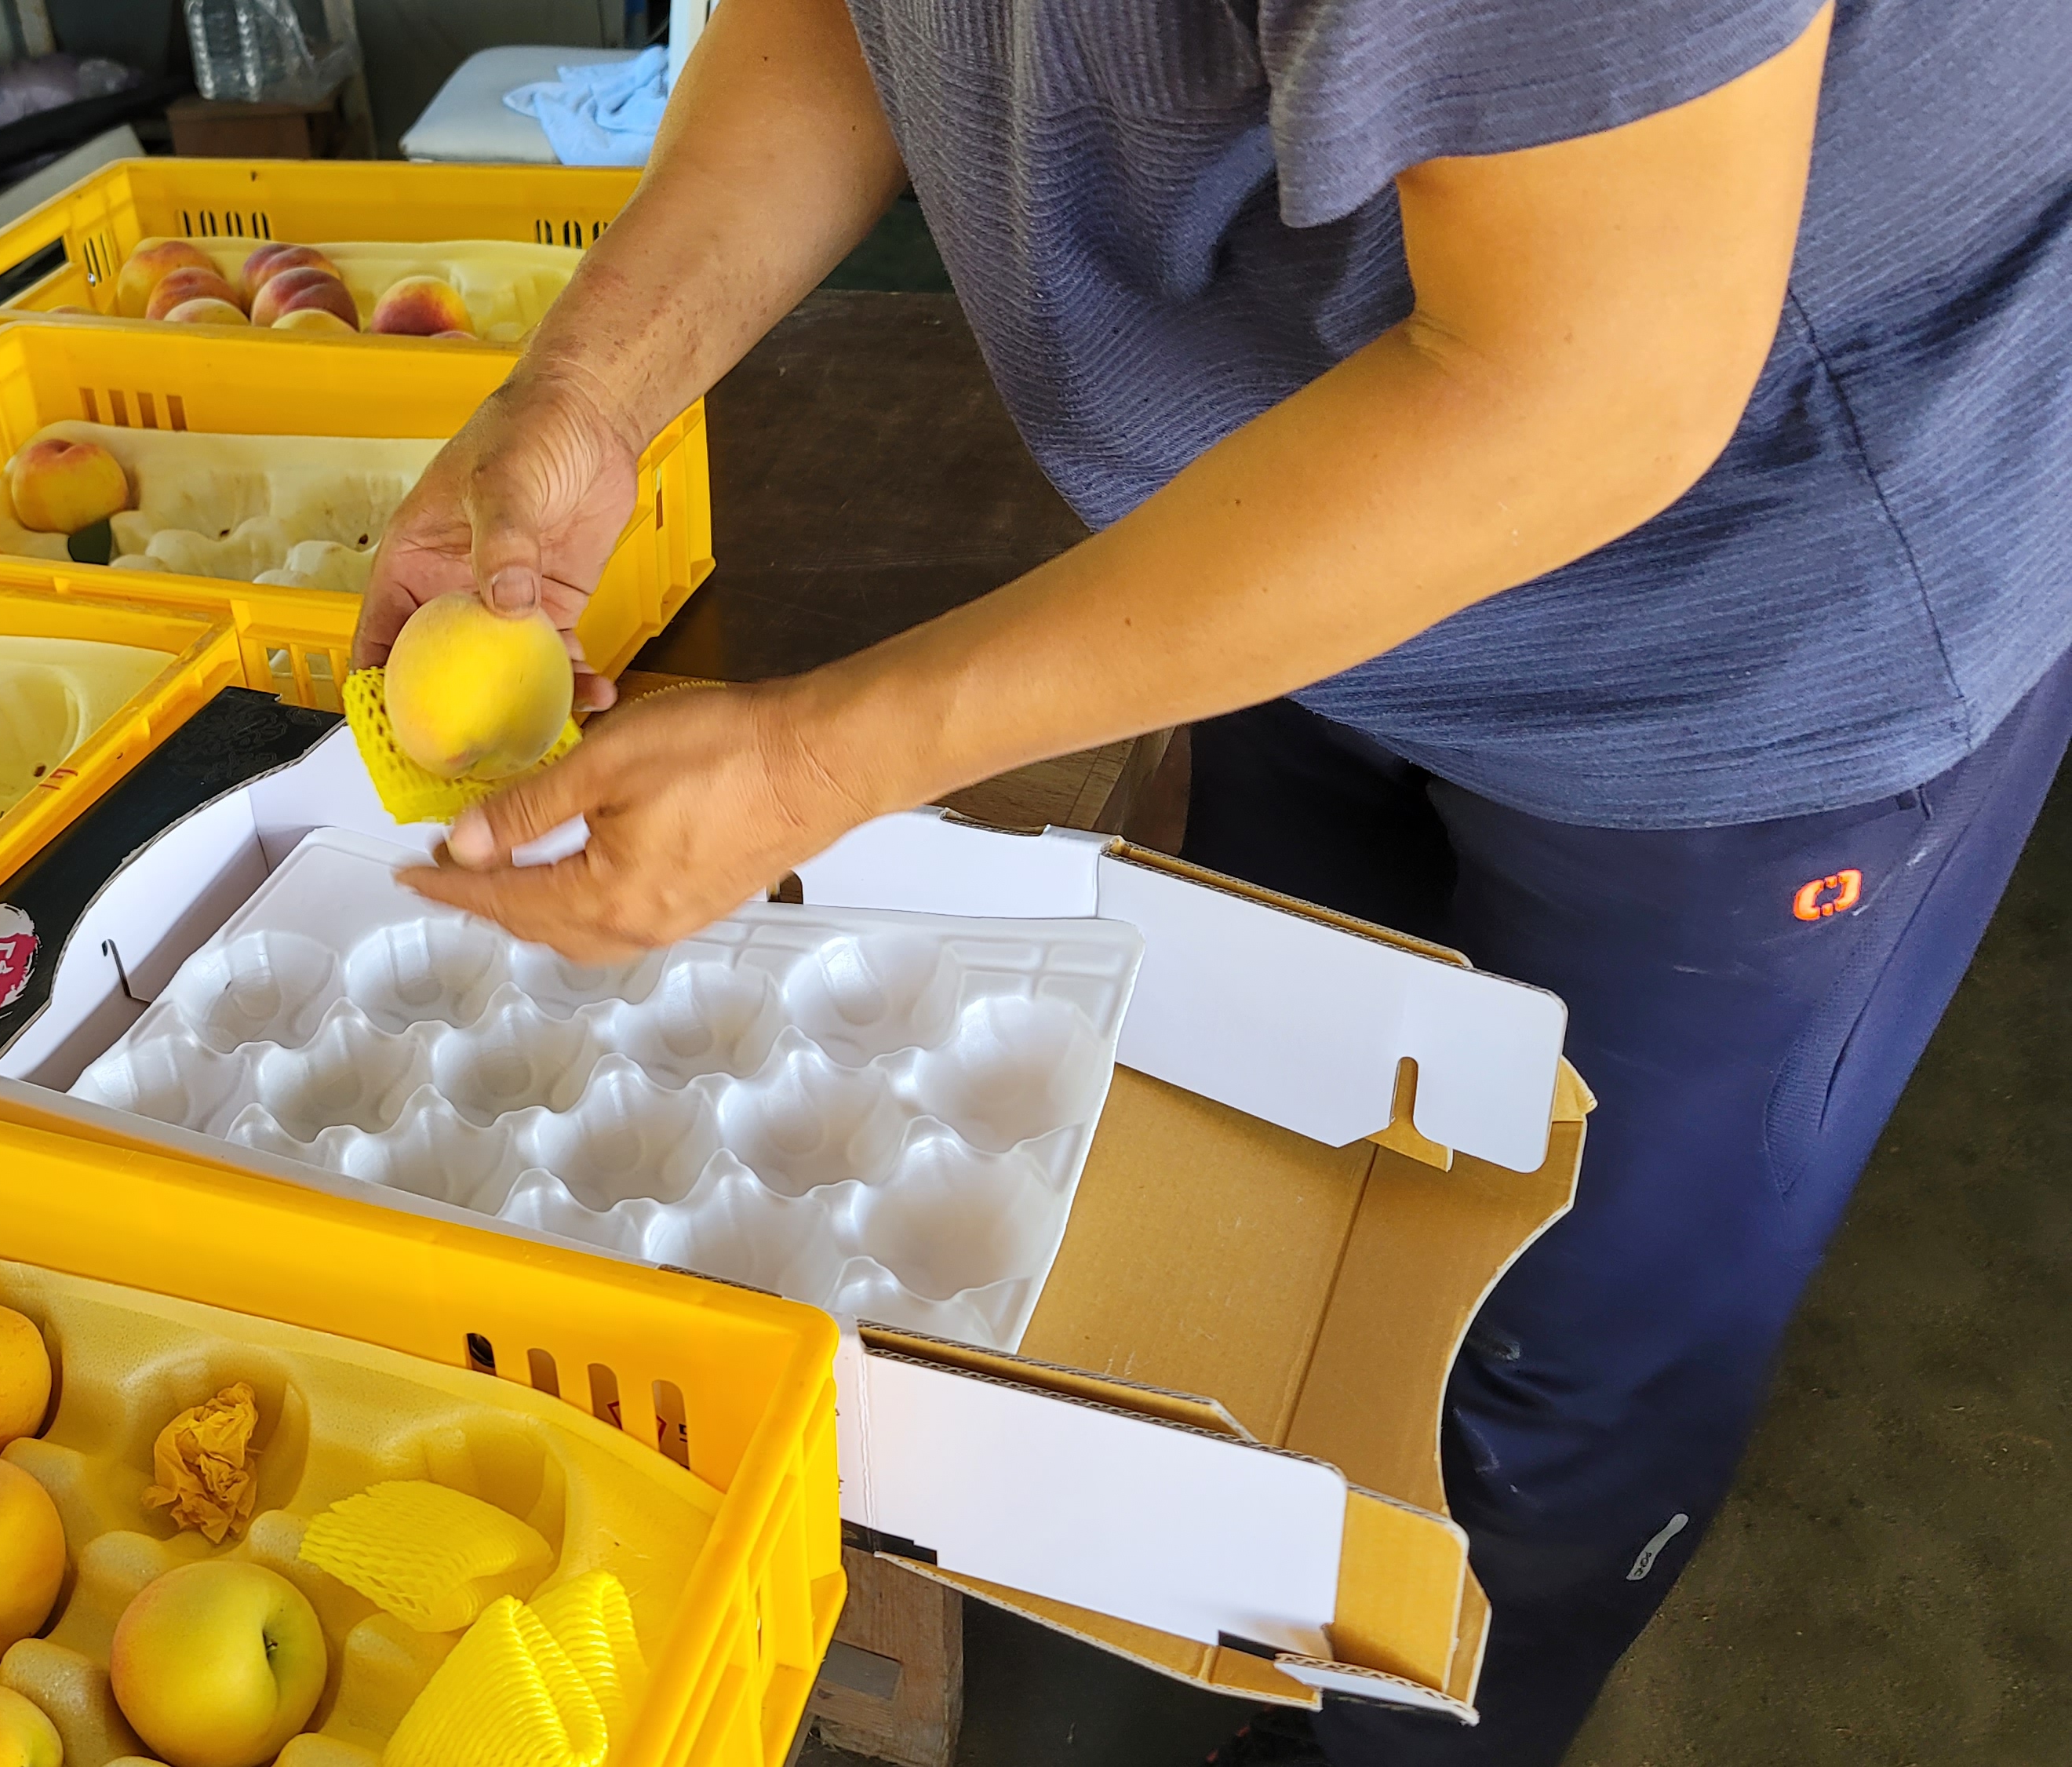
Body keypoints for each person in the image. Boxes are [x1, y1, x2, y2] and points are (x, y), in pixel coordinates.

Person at [350, 0, 2072, 1759]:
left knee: (1556, 1354)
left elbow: (1592, 380)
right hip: (1289, 510)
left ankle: (1415, 1738)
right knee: (1288, 1204)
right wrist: (582, 396)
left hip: (1741, 616)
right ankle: (1314, 1656)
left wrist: (819, 768)